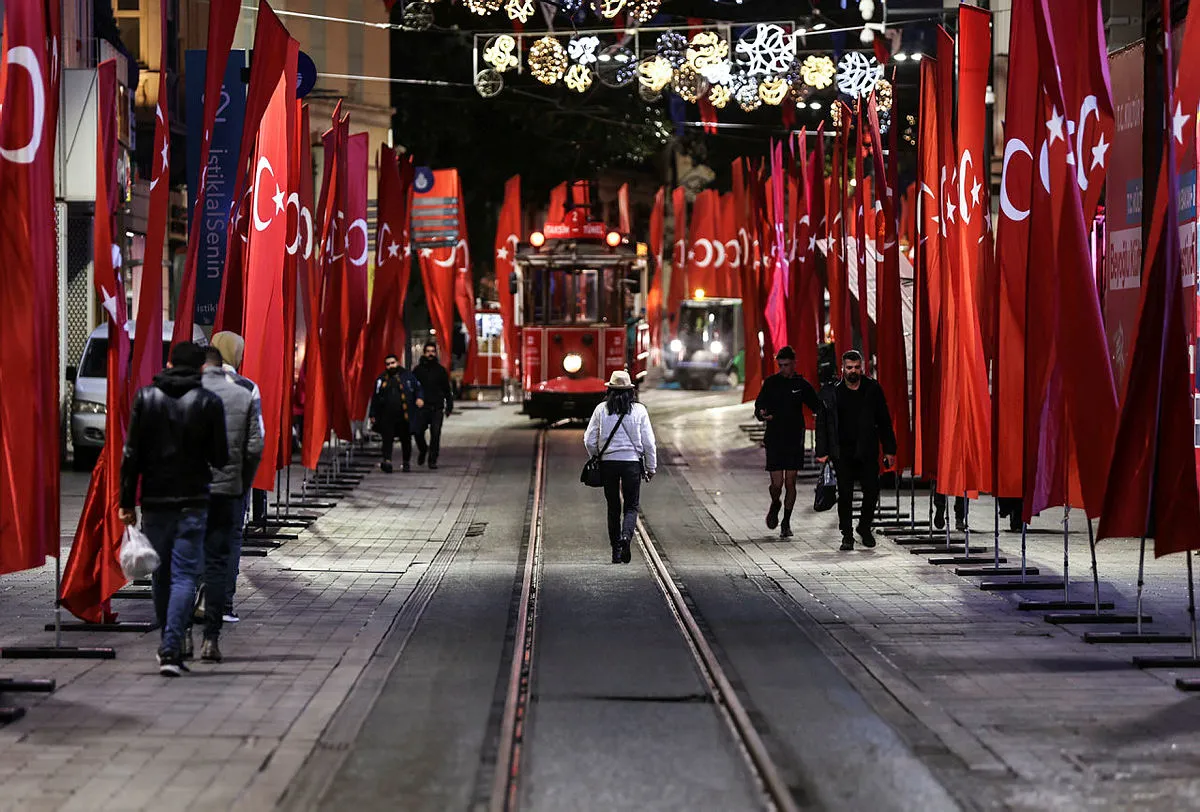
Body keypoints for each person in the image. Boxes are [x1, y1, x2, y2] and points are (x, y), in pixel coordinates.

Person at [119, 342, 228, 677]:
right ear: (199, 369)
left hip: (154, 502)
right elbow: (220, 457)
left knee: (160, 574)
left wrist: (126, 502)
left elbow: (131, 454)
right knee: (184, 575)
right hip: (194, 501)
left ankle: (168, 641)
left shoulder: (145, 397)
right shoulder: (209, 401)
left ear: (168, 362)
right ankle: (171, 646)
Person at [196, 347, 263, 663]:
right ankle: (214, 628)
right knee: (221, 554)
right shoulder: (246, 388)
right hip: (229, 487)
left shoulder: (186, 390)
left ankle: (178, 638)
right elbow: (255, 444)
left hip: (191, 489)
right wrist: (242, 481)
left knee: (186, 556)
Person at [815, 350, 897, 551]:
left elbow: (884, 420)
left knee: (872, 491)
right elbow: (824, 423)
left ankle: (864, 526)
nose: (853, 371)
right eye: (849, 367)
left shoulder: (872, 389)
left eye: (857, 367)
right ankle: (847, 535)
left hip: (867, 449)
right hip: (842, 452)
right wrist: (822, 451)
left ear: (862, 367)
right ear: (842, 368)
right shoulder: (833, 392)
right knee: (845, 494)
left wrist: (889, 449)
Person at [209, 331, 262, 623]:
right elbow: (256, 442)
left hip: (198, 480)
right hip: (233, 481)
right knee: (229, 540)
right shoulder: (248, 387)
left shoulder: (196, 383)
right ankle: (222, 605)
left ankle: (192, 601)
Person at [583, 371, 658, 564]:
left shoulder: (601, 409)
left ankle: (616, 551)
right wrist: (651, 467)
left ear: (610, 390)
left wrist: (596, 456)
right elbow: (649, 443)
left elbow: (589, 439)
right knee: (631, 506)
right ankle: (626, 537)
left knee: (613, 507)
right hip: (632, 463)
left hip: (608, 463)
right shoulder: (640, 410)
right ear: (630, 391)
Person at [754, 345, 820, 538]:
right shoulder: (771, 383)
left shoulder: (801, 385)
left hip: (794, 438)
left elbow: (816, 404)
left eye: (786, 365)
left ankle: (786, 522)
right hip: (774, 438)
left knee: (790, 482)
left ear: (794, 364)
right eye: (780, 365)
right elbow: (759, 405)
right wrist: (762, 413)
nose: (783, 369)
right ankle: (775, 502)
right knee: (777, 483)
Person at [369, 354, 424, 473]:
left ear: (397, 362)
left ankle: (406, 462)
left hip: (404, 415)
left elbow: (418, 388)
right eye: (388, 364)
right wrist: (373, 414)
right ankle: (387, 460)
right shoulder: (382, 379)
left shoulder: (407, 376)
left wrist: (419, 398)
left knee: (406, 439)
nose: (390, 366)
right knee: (387, 439)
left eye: (392, 363)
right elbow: (376, 397)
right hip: (387, 416)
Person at [413, 341, 453, 469]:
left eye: (432, 351)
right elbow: (413, 388)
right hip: (422, 407)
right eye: (428, 351)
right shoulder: (417, 370)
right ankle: (423, 450)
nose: (430, 354)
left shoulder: (440, 371)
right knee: (418, 431)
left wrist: (449, 406)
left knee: (435, 434)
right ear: (424, 353)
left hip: (437, 407)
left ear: (436, 353)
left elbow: (447, 389)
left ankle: (433, 459)